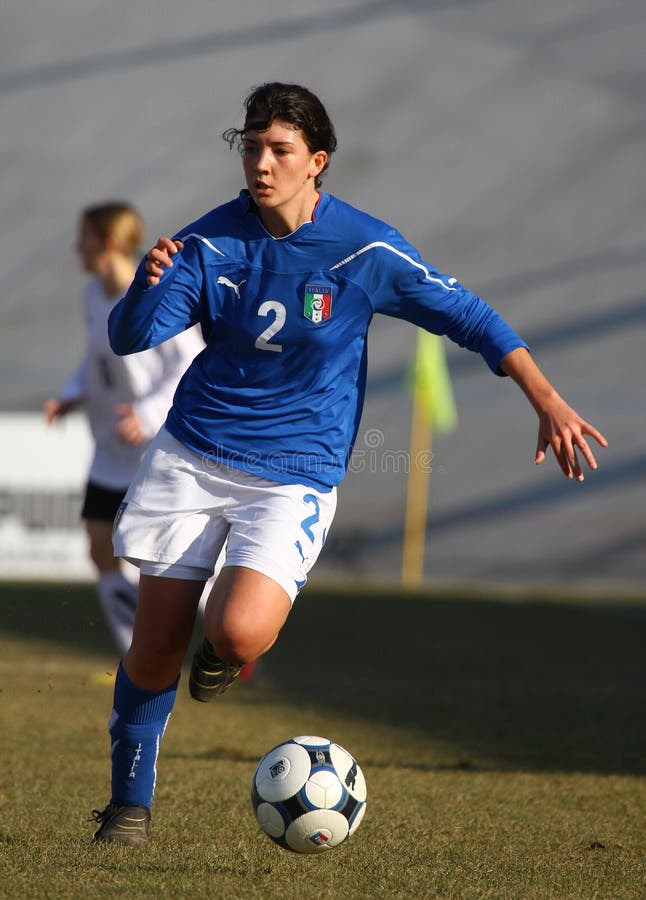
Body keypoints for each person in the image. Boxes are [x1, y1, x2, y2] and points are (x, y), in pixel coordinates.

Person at [91, 83, 607, 845]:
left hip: (295, 471)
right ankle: (128, 808)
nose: (261, 164)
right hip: (194, 455)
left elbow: (470, 316)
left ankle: (225, 655)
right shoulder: (208, 242)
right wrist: (149, 282)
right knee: (156, 642)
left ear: (317, 162)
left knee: (237, 634)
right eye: (251, 148)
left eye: (280, 151)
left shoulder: (365, 249)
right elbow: (131, 336)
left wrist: (547, 398)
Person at [45, 202, 204, 655]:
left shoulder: (152, 290)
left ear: (109, 242)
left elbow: (189, 361)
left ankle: (221, 638)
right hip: (110, 449)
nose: (78, 247)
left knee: (168, 559)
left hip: (154, 447)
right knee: (101, 549)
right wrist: (72, 393)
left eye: (85, 237)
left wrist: (149, 413)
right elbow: (96, 358)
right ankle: (134, 650)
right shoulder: (92, 296)